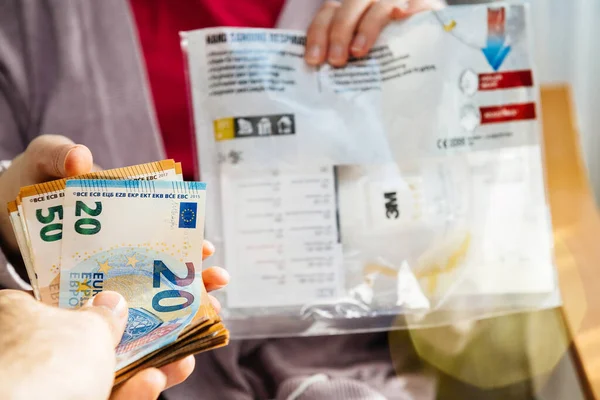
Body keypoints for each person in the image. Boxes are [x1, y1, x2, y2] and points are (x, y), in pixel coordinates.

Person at [0, 0, 444, 399]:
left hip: (362, 373)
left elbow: (465, 258)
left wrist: (443, 63)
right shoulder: (28, 20)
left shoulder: (402, 14)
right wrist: (11, 217)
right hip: (96, 369)